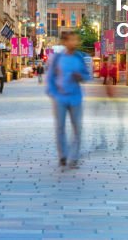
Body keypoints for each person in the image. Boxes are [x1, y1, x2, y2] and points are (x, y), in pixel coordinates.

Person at [46, 31, 91, 168]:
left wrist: (81, 76)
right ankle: (63, 156)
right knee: (60, 127)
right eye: (71, 40)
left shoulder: (80, 57)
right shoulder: (57, 58)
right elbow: (50, 78)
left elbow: (88, 76)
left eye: (75, 40)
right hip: (60, 98)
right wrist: (54, 93)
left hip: (76, 97)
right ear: (64, 42)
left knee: (77, 128)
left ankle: (74, 157)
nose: (74, 43)